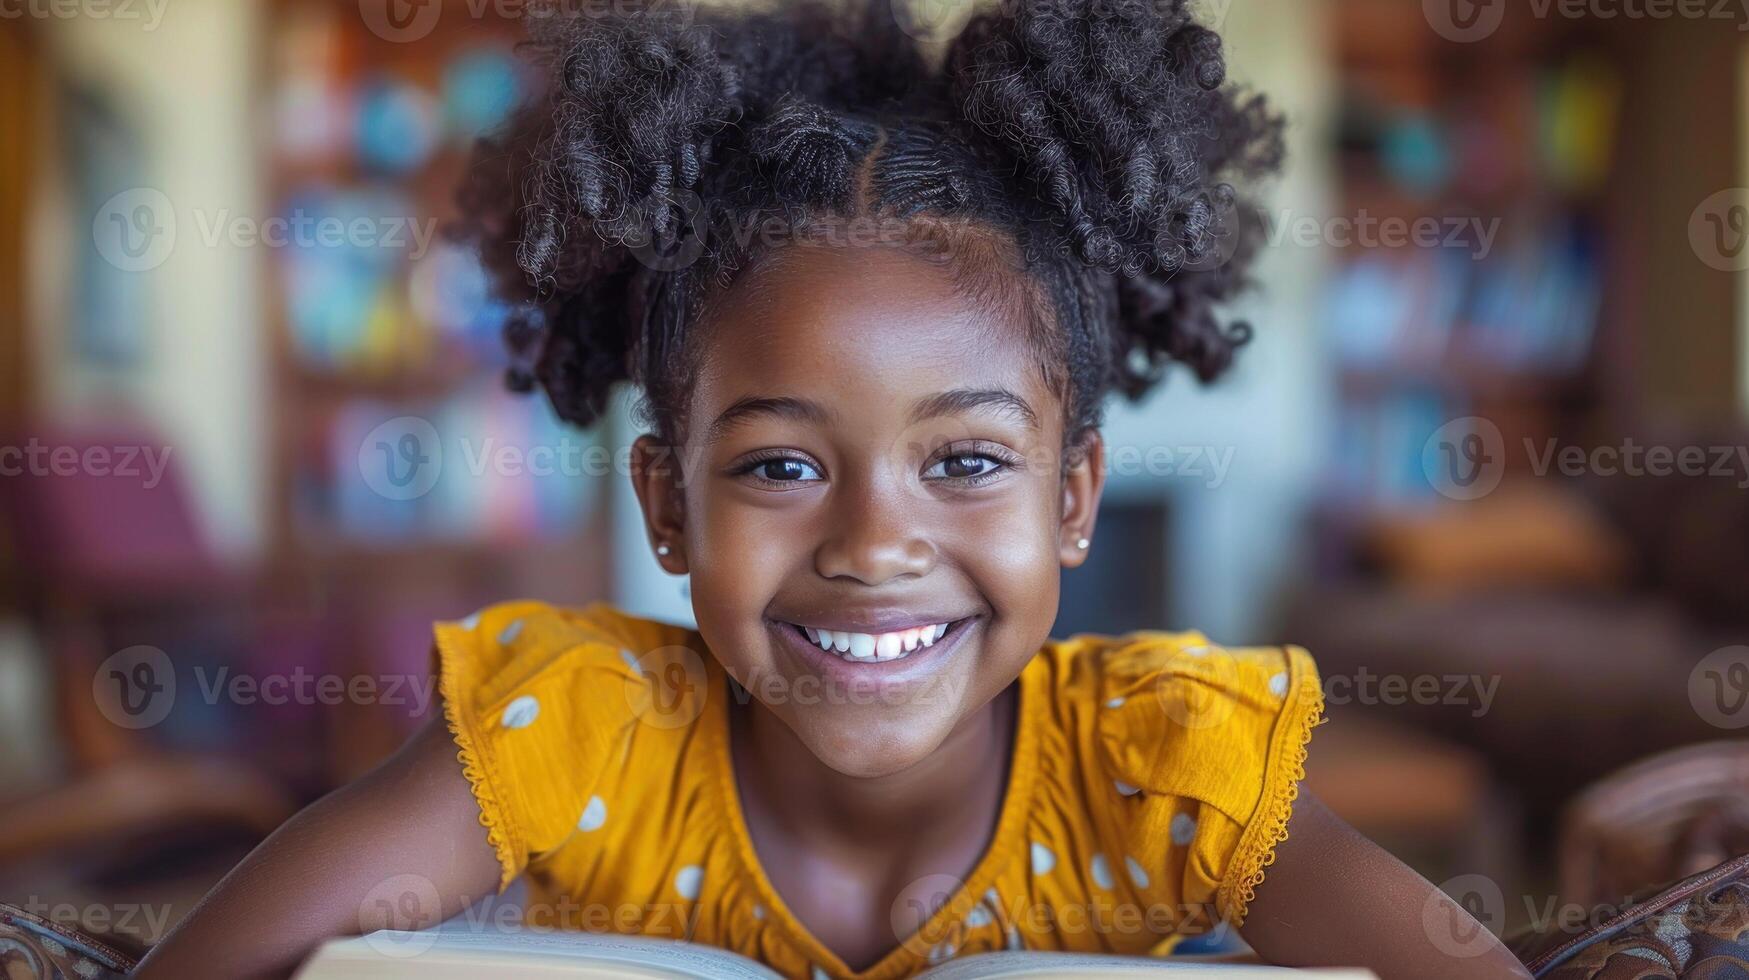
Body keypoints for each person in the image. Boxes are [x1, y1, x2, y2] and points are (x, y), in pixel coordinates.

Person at [137, 1, 1530, 976]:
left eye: (968, 461)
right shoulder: (575, 733)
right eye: (781, 466)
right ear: (665, 505)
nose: (873, 545)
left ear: (1073, 496)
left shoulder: (1167, 764)